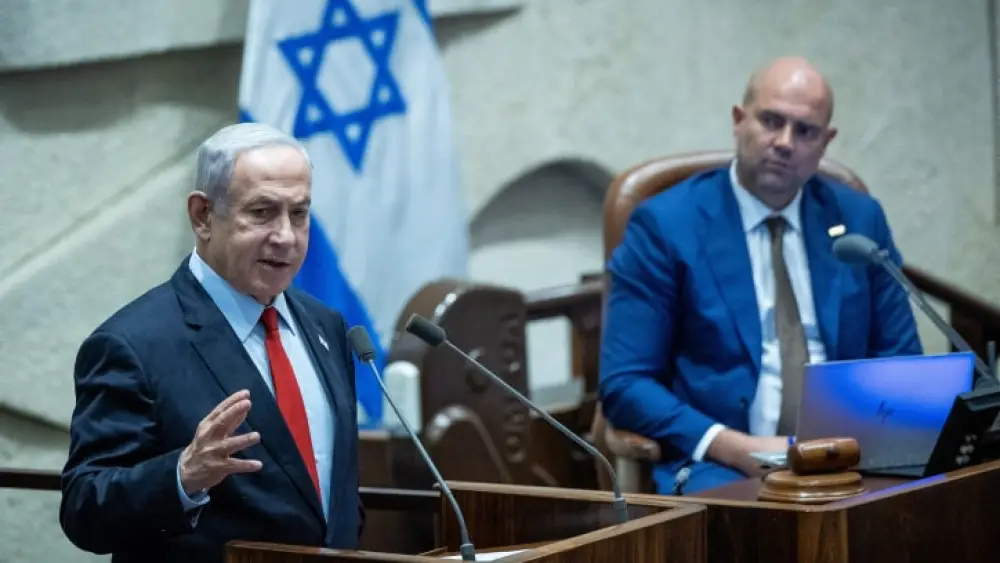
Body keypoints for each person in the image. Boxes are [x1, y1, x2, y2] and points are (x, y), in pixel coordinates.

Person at [598, 56, 922, 494]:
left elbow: (901, 359)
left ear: (826, 142)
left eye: (804, 131)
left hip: (851, 455)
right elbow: (625, 383)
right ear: (739, 120)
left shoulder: (858, 219)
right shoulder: (667, 225)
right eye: (771, 121)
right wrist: (733, 447)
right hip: (723, 465)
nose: (784, 143)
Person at [59, 123, 364, 562]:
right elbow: (85, 509)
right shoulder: (132, 344)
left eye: (299, 213)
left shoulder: (325, 325)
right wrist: (182, 476)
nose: (286, 236)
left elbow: (331, 495)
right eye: (262, 212)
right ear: (203, 215)